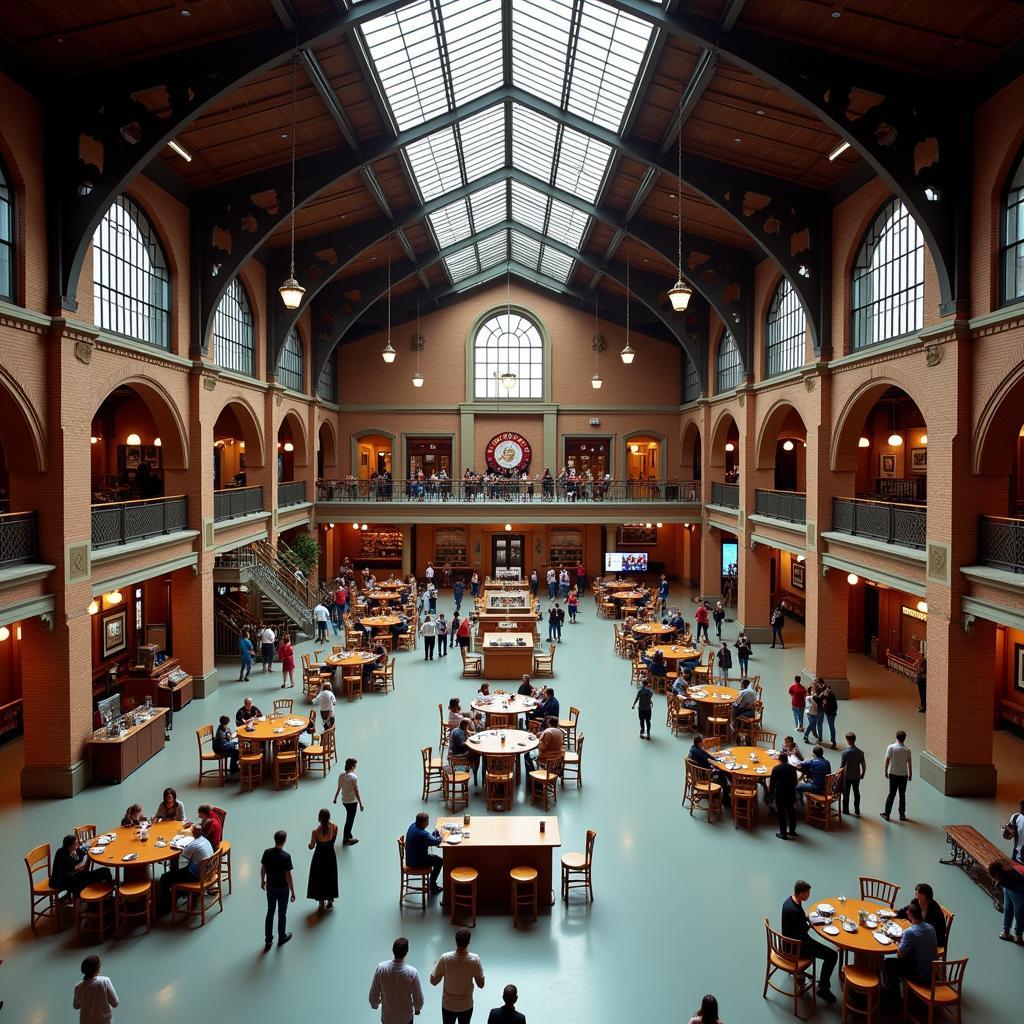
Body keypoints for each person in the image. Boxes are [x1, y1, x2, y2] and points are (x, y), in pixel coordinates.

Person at [781, 880, 837, 1002]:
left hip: (788, 943)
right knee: (832, 955)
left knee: (827, 952)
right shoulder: (795, 911)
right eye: (807, 893)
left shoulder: (790, 901)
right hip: (797, 948)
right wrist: (811, 925)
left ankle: (807, 978)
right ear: (800, 893)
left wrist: (806, 918)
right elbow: (802, 932)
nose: (808, 896)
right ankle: (823, 989)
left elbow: (796, 923)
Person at [882, 902, 937, 1004]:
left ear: (910, 914)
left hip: (920, 975)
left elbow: (900, 955)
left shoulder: (910, 932)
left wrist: (894, 941)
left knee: (889, 963)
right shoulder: (931, 928)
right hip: (932, 973)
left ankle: (894, 997)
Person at [431, 928, 485, 1024]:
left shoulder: (445, 958)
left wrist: (436, 964)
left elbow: (433, 981)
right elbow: (481, 984)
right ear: (469, 941)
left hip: (448, 1005)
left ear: (455, 941)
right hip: (466, 1005)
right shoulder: (475, 959)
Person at [369, 936, 425, 1023]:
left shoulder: (381, 968)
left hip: (387, 1019)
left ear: (393, 950)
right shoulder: (412, 972)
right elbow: (418, 998)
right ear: (406, 952)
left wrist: (375, 1004)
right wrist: (417, 1009)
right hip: (405, 1019)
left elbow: (373, 994)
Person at [158, 825, 212, 915]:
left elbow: (182, 859)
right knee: (179, 871)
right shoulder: (205, 840)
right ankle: (180, 892)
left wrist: (178, 848)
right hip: (208, 871)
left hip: (197, 874)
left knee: (165, 877)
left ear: (193, 833)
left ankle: (167, 906)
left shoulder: (193, 845)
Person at [260, 829, 295, 949]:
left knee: (270, 912)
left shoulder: (267, 853)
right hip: (283, 889)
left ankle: (268, 940)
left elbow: (263, 868)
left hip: (270, 887)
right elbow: (288, 876)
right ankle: (282, 936)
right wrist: (293, 891)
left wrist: (262, 880)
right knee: (282, 913)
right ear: (285, 841)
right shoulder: (286, 856)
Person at [896, 882, 948, 948]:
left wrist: (911, 930)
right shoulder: (916, 901)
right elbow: (904, 911)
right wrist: (892, 914)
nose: (915, 894)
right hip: (919, 933)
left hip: (934, 939)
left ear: (924, 895)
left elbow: (929, 930)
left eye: (917, 892)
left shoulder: (935, 909)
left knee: (905, 943)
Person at [306, 808, 339, 912]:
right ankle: (330, 900)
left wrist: (309, 845)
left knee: (319, 878)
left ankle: (321, 902)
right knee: (330, 877)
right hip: (330, 856)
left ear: (319, 818)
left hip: (319, 858)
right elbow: (333, 840)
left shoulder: (315, 832)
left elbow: (311, 846)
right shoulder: (334, 827)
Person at [405, 812, 443, 893]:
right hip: (417, 862)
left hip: (409, 859)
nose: (428, 823)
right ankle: (433, 887)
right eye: (427, 821)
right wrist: (441, 836)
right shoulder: (422, 834)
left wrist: (434, 835)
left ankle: (432, 885)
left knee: (434, 858)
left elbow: (427, 838)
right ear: (423, 823)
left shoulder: (413, 825)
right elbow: (437, 842)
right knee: (439, 861)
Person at [74, 955, 118, 1024]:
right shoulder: (105, 981)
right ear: (96, 968)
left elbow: (76, 1006)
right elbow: (115, 1003)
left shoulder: (78, 986)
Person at [687, 734, 730, 804]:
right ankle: (725, 798)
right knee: (723, 773)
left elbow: (707, 756)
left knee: (721, 771)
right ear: (700, 743)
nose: (703, 743)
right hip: (703, 775)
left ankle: (725, 790)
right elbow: (708, 767)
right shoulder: (700, 754)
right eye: (702, 742)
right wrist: (717, 765)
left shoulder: (693, 748)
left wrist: (715, 759)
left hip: (695, 772)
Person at [881, 729, 912, 821]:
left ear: (896, 737)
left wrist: (885, 771)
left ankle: (887, 813)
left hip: (893, 774)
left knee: (892, 794)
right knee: (902, 795)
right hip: (904, 775)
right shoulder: (907, 750)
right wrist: (910, 773)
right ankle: (902, 814)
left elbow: (887, 760)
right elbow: (909, 763)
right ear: (904, 739)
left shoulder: (891, 747)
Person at [333, 757, 364, 846]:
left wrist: (335, 798)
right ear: (352, 766)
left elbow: (339, 787)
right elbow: (356, 791)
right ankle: (346, 839)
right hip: (352, 802)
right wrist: (361, 804)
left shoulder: (341, 775)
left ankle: (349, 835)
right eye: (355, 765)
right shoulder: (354, 777)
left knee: (349, 818)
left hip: (345, 800)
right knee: (350, 820)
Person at [991, 860, 1024, 943]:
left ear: (997, 874)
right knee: (1017, 911)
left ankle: (1007, 932)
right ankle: (1018, 936)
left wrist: (999, 884)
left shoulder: (1009, 878)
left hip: (1020, 886)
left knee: (1016, 911)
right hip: (1016, 887)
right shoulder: (1004, 876)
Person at [769, 750, 799, 840]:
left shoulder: (776, 768)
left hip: (780, 793)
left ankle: (783, 833)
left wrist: (771, 794)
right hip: (790, 792)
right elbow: (795, 782)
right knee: (791, 811)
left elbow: (772, 783)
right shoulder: (792, 768)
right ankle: (792, 831)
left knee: (781, 813)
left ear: (779, 760)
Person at [840, 731, 866, 817]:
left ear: (847, 740)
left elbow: (842, 765)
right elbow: (863, 765)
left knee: (846, 792)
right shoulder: (860, 752)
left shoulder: (845, 752)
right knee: (856, 792)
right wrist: (863, 773)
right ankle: (857, 809)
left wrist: (839, 774)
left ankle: (845, 810)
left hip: (847, 775)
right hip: (856, 776)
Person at [816, 681, 838, 748]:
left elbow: (833, 706)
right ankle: (821, 738)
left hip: (830, 713)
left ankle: (833, 741)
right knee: (822, 724)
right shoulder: (827, 695)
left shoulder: (830, 697)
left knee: (831, 726)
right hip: (827, 711)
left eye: (826, 692)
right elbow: (819, 699)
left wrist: (825, 704)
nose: (825, 692)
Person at [1007, 799, 1024, 864]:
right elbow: (1006, 836)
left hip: (1018, 858)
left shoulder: (1016, 817)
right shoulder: (1016, 817)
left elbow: (1006, 836)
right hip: (1018, 857)